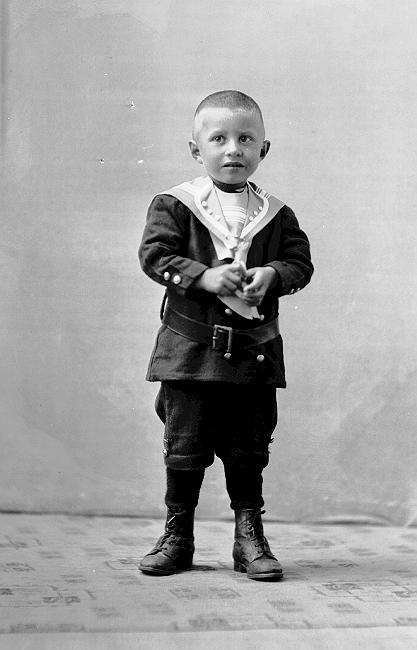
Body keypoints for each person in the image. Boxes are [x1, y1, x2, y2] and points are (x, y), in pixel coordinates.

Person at [138, 90, 313, 580]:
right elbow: (154, 255)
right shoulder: (175, 205)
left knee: (248, 450)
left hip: (253, 356)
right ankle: (178, 536)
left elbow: (300, 263)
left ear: (264, 149)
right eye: (219, 139)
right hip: (190, 353)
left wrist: (273, 275)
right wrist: (204, 277)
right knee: (184, 447)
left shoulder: (276, 213)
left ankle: (248, 537)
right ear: (197, 151)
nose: (233, 149)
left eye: (246, 139)